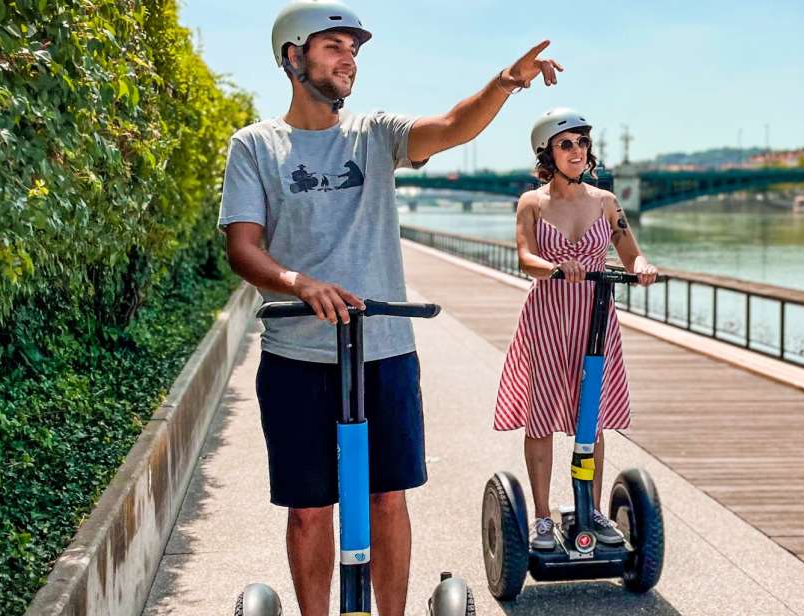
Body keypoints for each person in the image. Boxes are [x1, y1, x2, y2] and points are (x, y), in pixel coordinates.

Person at [217, 1, 563, 613]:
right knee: (308, 510)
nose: (348, 58)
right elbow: (243, 249)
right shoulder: (255, 147)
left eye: (353, 49)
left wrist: (505, 84)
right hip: (298, 354)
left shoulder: (374, 134)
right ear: (292, 57)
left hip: (385, 352)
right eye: (333, 47)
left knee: (388, 499)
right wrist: (300, 283)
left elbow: (453, 126)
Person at [493, 108, 659, 551]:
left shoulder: (606, 202)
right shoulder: (532, 202)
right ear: (547, 151)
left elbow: (630, 252)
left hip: (595, 315)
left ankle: (592, 508)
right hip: (547, 316)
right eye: (566, 143)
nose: (577, 151)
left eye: (582, 143)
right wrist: (553, 267)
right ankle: (543, 517)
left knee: (592, 418)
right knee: (541, 415)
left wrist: (643, 267)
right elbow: (524, 257)